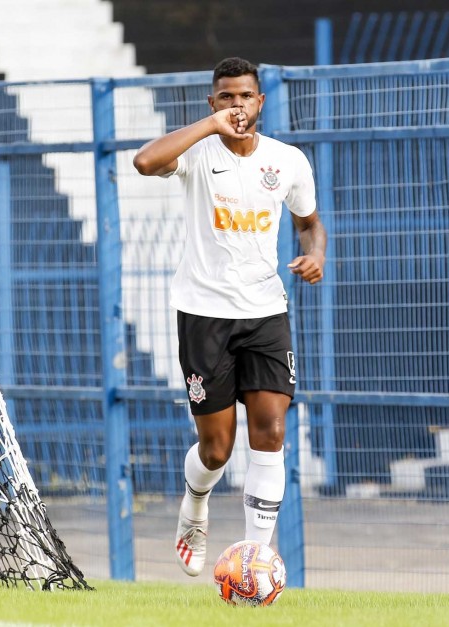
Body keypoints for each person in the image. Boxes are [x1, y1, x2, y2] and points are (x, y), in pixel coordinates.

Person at [132, 57, 326, 576]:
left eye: (245, 97)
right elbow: (144, 163)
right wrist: (208, 129)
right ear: (212, 103)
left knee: (271, 429)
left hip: (265, 313)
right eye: (226, 97)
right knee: (216, 449)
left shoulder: (287, 161)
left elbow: (309, 224)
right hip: (204, 316)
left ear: (260, 102)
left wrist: (315, 255)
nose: (236, 105)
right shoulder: (197, 151)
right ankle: (194, 506)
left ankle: (255, 559)